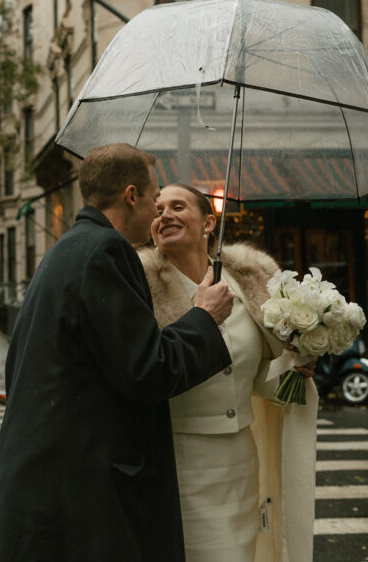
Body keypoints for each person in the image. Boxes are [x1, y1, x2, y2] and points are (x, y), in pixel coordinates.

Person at [0, 143, 236, 562]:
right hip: (77, 492)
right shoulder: (105, 251)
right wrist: (203, 318)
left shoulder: (68, 248)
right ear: (131, 195)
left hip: (47, 480)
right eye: (155, 198)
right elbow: (147, 370)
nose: (158, 210)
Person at [139, 183, 317, 561]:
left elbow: (254, 381)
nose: (164, 214)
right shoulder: (142, 289)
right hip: (178, 460)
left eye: (177, 206)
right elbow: (143, 370)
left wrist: (296, 373)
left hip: (241, 458)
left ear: (208, 223)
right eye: (157, 210)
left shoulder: (246, 283)